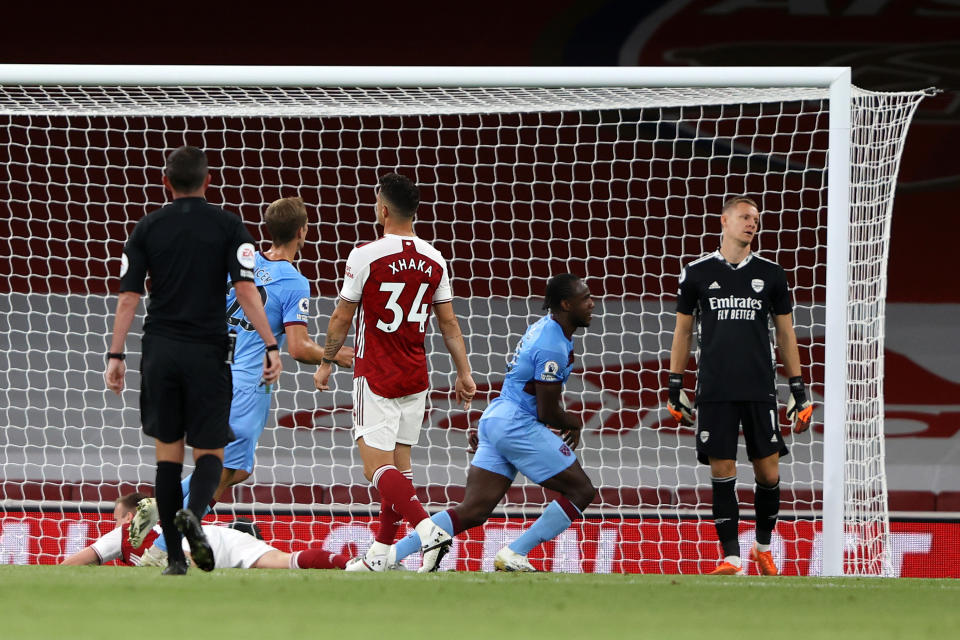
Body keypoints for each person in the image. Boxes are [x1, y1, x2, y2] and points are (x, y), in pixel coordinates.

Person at [128, 197, 355, 550]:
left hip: (211, 373)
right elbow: (297, 347)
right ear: (302, 233)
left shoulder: (239, 263)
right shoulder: (293, 282)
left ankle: (160, 510)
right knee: (222, 471)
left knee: (236, 469)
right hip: (249, 385)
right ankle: (161, 543)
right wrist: (336, 355)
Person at [104, 146, 282, 575]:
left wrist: (116, 354)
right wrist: (271, 344)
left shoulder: (147, 228)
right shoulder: (228, 226)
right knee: (210, 455)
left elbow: (129, 297)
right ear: (208, 180)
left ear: (166, 183)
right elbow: (245, 293)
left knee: (168, 459)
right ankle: (194, 518)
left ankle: (177, 564)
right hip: (207, 353)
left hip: (161, 352)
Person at [313, 172, 476, 573]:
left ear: (383, 209)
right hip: (415, 375)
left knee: (375, 467)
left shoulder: (364, 254)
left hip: (377, 375)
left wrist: (326, 361)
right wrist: (464, 373)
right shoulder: (435, 258)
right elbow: (449, 324)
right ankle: (381, 554)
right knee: (400, 467)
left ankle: (428, 531)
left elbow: (341, 316)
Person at [388, 273, 597, 573]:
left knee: (473, 510)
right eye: (585, 298)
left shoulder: (544, 329)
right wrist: (573, 422)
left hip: (498, 418)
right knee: (581, 491)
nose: (592, 303)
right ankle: (514, 552)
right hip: (516, 425)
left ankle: (390, 556)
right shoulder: (552, 344)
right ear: (566, 304)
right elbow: (547, 411)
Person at [666, 196, 813, 576]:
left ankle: (762, 548)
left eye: (757, 219)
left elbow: (785, 332)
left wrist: (798, 389)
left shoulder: (772, 273)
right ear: (724, 221)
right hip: (714, 388)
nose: (753, 223)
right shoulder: (696, 273)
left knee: (768, 473)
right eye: (746, 217)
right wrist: (674, 384)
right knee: (722, 469)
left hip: (759, 386)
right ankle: (731, 556)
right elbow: (683, 331)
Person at [62, 493, 348, 571]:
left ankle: (189, 558)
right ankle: (350, 564)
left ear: (129, 517)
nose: (116, 525)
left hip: (184, 545)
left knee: (177, 564)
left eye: (117, 519)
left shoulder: (125, 533)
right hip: (222, 535)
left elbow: (74, 563)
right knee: (285, 561)